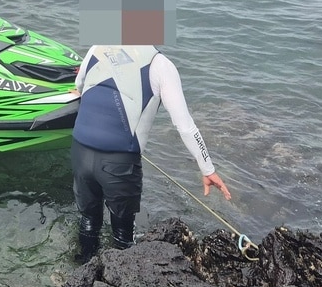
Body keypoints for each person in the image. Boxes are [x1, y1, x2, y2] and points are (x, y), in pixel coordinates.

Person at [71, 43, 230, 262]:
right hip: (119, 161)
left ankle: (83, 267)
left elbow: (79, 86)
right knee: (122, 234)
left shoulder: (97, 48)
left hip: (80, 150)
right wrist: (207, 168)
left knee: (89, 219)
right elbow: (185, 126)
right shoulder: (161, 66)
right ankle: (117, 281)